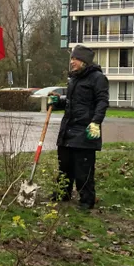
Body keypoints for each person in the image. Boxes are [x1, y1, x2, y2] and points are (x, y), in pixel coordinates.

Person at [49, 44, 109, 211]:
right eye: (72, 58)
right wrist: (58, 102)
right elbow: (71, 102)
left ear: (84, 61)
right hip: (68, 129)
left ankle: (86, 199)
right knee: (64, 165)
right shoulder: (74, 78)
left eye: (75, 58)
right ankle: (63, 193)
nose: (72, 62)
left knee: (83, 168)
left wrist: (96, 122)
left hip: (85, 130)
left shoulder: (97, 78)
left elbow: (102, 102)